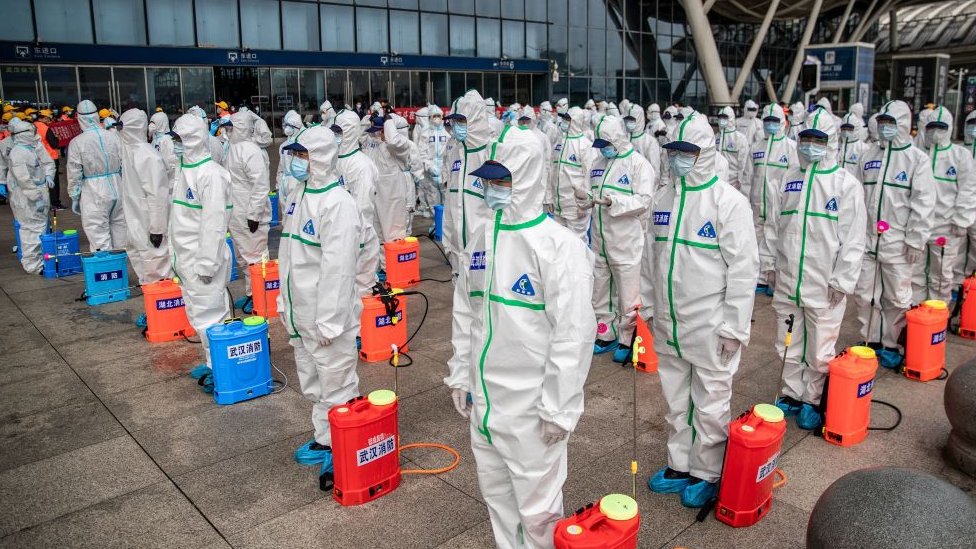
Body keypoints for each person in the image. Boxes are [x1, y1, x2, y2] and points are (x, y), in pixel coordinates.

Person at [445, 127, 595, 548]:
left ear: (528, 176)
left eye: (503, 179)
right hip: (486, 403)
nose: (493, 189)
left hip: (533, 409)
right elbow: (466, 313)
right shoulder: (481, 239)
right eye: (490, 180)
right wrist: (460, 373)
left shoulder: (559, 248)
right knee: (498, 497)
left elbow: (574, 337)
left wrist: (558, 407)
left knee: (538, 510)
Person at [640, 111, 758, 508]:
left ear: (706, 152)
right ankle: (680, 463)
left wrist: (733, 328)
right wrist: (650, 307)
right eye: (674, 151)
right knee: (676, 399)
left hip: (711, 324)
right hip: (670, 322)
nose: (678, 158)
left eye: (687, 151)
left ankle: (707, 471)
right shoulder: (664, 198)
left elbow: (744, 271)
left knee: (709, 402)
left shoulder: (729, 203)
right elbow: (649, 261)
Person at [760, 106, 867, 430]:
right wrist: (770, 264)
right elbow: (773, 226)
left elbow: (853, 238)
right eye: (805, 138)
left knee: (820, 345)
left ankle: (812, 398)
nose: (810, 145)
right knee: (788, 339)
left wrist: (842, 280)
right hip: (789, 277)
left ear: (830, 141)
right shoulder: (789, 178)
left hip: (824, 282)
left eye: (817, 140)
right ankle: (792, 393)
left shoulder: (844, 184)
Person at [279, 126, 364, 489]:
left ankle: (343, 446)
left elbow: (339, 269)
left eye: (303, 155)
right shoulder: (300, 194)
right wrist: (286, 304)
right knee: (312, 380)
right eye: (295, 155)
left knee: (337, 383)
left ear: (322, 157)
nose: (297, 162)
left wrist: (329, 321)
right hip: (301, 312)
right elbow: (288, 254)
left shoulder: (338, 204)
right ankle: (325, 437)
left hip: (328, 318)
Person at [854, 100, 936, 369]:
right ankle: (871, 340)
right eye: (883, 122)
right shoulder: (869, 155)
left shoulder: (917, 160)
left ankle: (892, 344)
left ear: (903, 125)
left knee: (897, 297)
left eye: (892, 123)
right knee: (866, 294)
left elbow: (923, 203)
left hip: (899, 243)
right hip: (867, 241)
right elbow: (856, 197)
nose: (886, 128)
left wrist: (916, 238)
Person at [581, 115, 654, 363]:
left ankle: (627, 337)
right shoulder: (599, 162)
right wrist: (587, 198)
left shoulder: (638, 165)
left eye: (607, 143)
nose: (603, 149)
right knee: (600, 289)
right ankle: (605, 333)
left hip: (626, 242)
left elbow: (644, 201)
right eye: (600, 144)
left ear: (618, 139)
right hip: (600, 238)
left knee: (628, 293)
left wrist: (615, 201)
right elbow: (591, 190)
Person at [169, 113, 233, 381]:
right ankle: (213, 363)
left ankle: (220, 368)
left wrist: (206, 263)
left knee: (211, 316)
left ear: (193, 140)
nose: (174, 144)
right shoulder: (184, 170)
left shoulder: (211, 175)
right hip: (187, 258)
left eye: (179, 140)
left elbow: (214, 225)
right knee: (198, 312)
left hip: (203, 260)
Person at [912, 106, 976, 303]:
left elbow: (968, 189)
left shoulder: (959, 156)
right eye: (932, 127)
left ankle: (938, 316)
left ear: (949, 128)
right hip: (920, 226)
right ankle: (917, 313)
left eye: (941, 127)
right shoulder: (919, 155)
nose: (935, 131)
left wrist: (961, 220)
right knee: (916, 273)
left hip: (946, 227)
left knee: (941, 275)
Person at [118, 109, 173, 302]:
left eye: (121, 126)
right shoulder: (129, 151)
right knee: (142, 264)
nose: (119, 130)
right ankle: (153, 309)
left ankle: (163, 309)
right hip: (135, 220)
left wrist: (157, 228)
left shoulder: (148, 155)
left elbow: (158, 195)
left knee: (156, 266)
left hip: (148, 221)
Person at [225, 111, 272, 313]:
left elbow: (260, 185)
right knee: (244, 258)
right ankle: (252, 294)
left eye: (231, 127)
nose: (228, 130)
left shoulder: (250, 151)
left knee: (256, 256)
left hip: (250, 213)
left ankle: (263, 296)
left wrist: (254, 213)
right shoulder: (233, 148)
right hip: (237, 211)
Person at [443, 90, 493, 276]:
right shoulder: (456, 152)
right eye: (454, 122)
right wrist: (448, 240)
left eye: (460, 121)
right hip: (458, 251)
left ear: (476, 120)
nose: (455, 127)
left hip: (482, 251)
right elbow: (451, 201)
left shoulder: (491, 153)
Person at [67, 100, 126, 251]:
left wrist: (74, 195)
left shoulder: (77, 143)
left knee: (98, 235)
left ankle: (106, 269)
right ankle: (120, 268)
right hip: (117, 186)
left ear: (78, 117)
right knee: (120, 231)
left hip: (94, 191)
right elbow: (124, 164)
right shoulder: (114, 136)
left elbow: (74, 173)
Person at [751, 103, 798, 295]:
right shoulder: (756, 147)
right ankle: (761, 278)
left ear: (782, 123)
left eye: (774, 121)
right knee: (756, 240)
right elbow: (749, 176)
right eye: (767, 121)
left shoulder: (790, 148)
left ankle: (776, 280)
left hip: (778, 205)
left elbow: (794, 178)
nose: (770, 124)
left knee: (777, 241)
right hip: (757, 202)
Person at [363, 113, 415, 270]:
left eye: (382, 131)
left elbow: (394, 141)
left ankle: (395, 270)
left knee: (393, 235)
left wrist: (389, 123)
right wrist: (366, 120)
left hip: (392, 199)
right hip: (377, 197)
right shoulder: (376, 145)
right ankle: (384, 268)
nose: (378, 135)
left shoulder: (400, 146)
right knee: (378, 235)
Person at [7, 117, 55, 274]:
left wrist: (49, 176)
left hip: (40, 192)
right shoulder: (18, 153)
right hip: (26, 197)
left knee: (41, 228)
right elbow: (24, 180)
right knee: (30, 231)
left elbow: (48, 162)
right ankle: (33, 266)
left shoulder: (34, 146)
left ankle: (43, 260)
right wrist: (35, 197)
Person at [547, 108, 594, 242]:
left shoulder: (585, 146)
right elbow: (552, 171)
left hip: (575, 207)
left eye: (567, 119)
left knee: (577, 243)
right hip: (558, 206)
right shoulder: (559, 143)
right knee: (560, 243)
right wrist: (550, 197)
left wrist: (584, 204)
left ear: (575, 122)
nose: (563, 122)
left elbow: (589, 178)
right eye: (563, 119)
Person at [416, 105, 448, 217]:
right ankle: (437, 225)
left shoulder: (446, 132)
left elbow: (450, 152)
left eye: (439, 116)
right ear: (430, 117)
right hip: (431, 172)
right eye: (434, 116)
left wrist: (446, 169)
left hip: (444, 172)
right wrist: (429, 166)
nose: (437, 118)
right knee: (433, 198)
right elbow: (421, 153)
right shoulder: (425, 133)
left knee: (447, 197)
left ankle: (446, 226)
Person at [715, 106, 753, 198]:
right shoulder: (717, 137)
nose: (721, 120)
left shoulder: (740, 138)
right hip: (718, 178)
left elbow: (743, 162)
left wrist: (740, 180)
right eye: (720, 118)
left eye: (724, 118)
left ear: (731, 118)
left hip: (734, 181)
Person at [276, 109, 304, 210]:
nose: (287, 128)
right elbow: (281, 166)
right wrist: (278, 182)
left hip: (296, 182)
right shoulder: (283, 146)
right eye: (286, 125)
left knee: (295, 211)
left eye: (290, 126)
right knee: (285, 211)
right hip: (284, 182)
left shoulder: (302, 144)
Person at [33, 109, 61, 208]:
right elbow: (53, 144)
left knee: (41, 181)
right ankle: (55, 203)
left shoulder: (32, 126)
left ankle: (45, 202)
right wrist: (57, 138)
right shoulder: (45, 129)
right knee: (53, 182)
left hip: (38, 158)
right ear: (44, 118)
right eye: (49, 118)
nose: (50, 120)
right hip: (50, 158)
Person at [625, 103, 661, 175]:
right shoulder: (624, 138)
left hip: (643, 180)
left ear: (639, 119)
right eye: (627, 120)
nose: (629, 123)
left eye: (632, 120)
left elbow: (655, 168)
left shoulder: (650, 141)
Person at [149, 111, 178, 186]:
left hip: (167, 181)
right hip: (157, 179)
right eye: (151, 122)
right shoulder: (154, 141)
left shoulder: (167, 140)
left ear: (161, 123)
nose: (151, 125)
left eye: (154, 123)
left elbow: (170, 163)